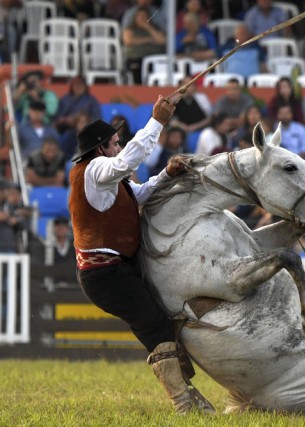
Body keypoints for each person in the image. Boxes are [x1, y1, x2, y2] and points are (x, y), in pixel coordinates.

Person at [68, 94, 214, 414]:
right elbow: (126, 163)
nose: (119, 147)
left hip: (113, 270)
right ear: (100, 148)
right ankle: (182, 404)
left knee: (157, 326)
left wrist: (166, 174)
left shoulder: (109, 178)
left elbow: (141, 192)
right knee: (157, 326)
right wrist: (157, 121)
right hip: (105, 273)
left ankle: (187, 398)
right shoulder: (95, 170)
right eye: (115, 143)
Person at [122, 7, 166, 84]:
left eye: (144, 16)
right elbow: (128, 41)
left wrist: (148, 27)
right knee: (136, 68)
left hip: (153, 58)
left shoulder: (155, 29)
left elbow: (162, 41)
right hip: (136, 58)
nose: (142, 18)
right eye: (139, 16)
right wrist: (148, 39)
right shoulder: (130, 29)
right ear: (135, 18)